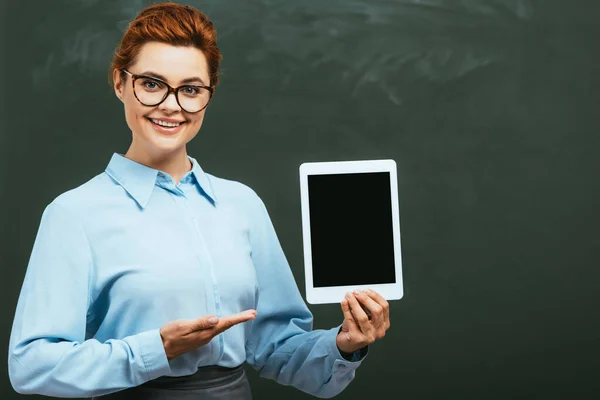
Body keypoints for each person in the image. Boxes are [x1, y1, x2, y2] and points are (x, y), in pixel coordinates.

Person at [7, 2, 391, 399]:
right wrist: (155, 350)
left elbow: (276, 347)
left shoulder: (242, 204)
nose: (172, 105)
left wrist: (345, 344)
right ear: (120, 83)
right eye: (152, 84)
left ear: (208, 95)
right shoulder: (73, 214)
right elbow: (32, 365)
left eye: (190, 89)